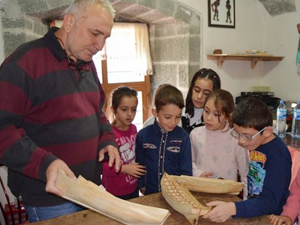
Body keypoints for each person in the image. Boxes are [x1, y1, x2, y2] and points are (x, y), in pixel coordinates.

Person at [0, 0, 121, 222]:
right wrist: (45, 163)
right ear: (69, 22)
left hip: (89, 188)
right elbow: (2, 130)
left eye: (106, 37)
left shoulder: (87, 62)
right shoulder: (24, 62)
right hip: (50, 197)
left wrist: (107, 138)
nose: (100, 45)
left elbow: (97, 111)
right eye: (95, 33)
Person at [202, 97, 292, 223]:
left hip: (270, 218)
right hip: (254, 211)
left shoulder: (278, 155)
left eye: (247, 136)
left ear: (267, 131)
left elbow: (270, 201)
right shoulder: (255, 142)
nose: (241, 141)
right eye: (238, 134)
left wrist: (233, 208)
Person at [190, 89, 249, 199]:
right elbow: (189, 161)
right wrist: (198, 173)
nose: (208, 118)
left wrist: (246, 203)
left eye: (216, 114)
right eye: (206, 111)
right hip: (199, 194)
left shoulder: (236, 139)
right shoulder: (195, 134)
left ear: (228, 116)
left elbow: (245, 173)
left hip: (227, 198)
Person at [135, 84, 192, 195]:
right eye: (168, 117)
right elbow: (140, 164)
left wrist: (183, 190)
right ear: (155, 112)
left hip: (176, 194)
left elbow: (186, 170)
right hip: (150, 192)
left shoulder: (183, 137)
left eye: (178, 116)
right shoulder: (143, 135)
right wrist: (141, 185)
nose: (173, 122)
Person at [143, 68, 221, 134]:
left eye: (206, 93)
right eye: (197, 90)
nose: (199, 96)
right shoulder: (178, 112)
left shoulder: (214, 121)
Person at [102, 86, 146, 200]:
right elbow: (102, 167)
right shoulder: (108, 135)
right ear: (113, 110)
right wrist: (124, 169)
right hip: (114, 192)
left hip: (133, 188)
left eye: (134, 109)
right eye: (124, 109)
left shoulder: (134, 129)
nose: (130, 114)